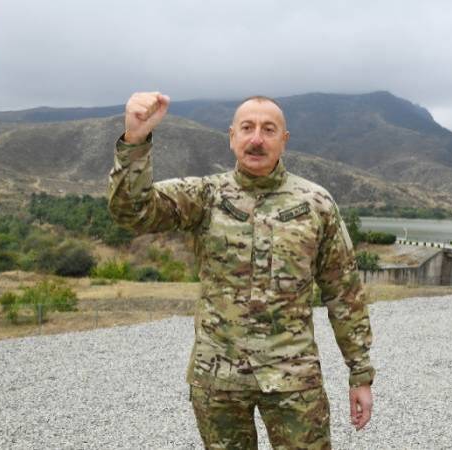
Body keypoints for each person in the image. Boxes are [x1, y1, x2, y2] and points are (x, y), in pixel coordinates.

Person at [108, 92, 375, 449]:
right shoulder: (205, 196)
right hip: (219, 378)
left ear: (284, 139)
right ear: (232, 137)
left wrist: (360, 373)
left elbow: (344, 292)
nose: (257, 139)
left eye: (269, 129)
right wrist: (135, 141)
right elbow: (131, 212)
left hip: (293, 378)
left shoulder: (316, 204)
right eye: (247, 128)